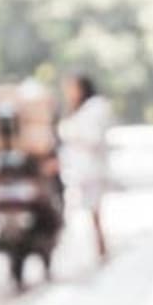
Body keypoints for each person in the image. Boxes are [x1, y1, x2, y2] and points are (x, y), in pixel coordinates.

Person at [57, 74, 113, 260]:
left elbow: (93, 138)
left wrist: (71, 135)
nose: (68, 94)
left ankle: (99, 249)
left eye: (72, 88)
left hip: (91, 170)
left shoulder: (94, 108)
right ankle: (95, 249)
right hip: (80, 170)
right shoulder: (81, 111)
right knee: (88, 213)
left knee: (92, 213)